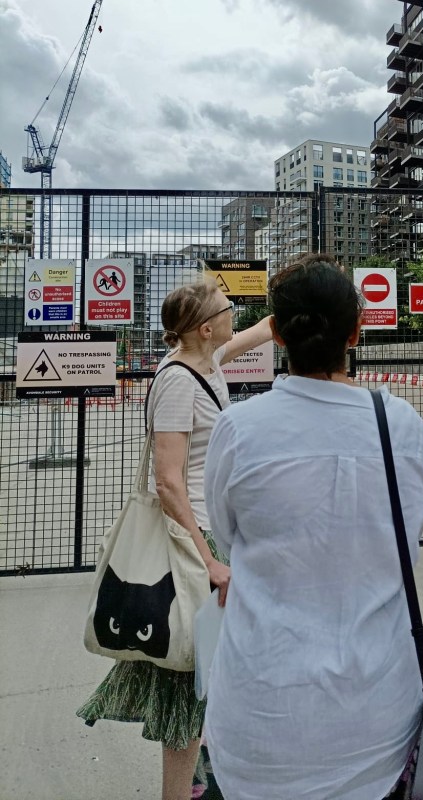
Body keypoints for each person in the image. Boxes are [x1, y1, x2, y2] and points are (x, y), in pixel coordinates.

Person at [203, 255, 423, 800]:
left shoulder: (238, 428)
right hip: (376, 719)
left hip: (257, 721)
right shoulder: (400, 424)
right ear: (356, 331)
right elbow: (409, 537)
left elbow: (226, 536)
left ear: (277, 335)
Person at [77, 278, 272, 800]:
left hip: (210, 533)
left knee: (209, 674)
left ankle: (200, 783)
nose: (235, 312)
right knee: (189, 680)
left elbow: (258, 332)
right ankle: (178, 792)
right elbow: (167, 481)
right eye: (226, 308)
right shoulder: (180, 381)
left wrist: (299, 297)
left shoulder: (205, 359)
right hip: (194, 540)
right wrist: (208, 559)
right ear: (206, 327)